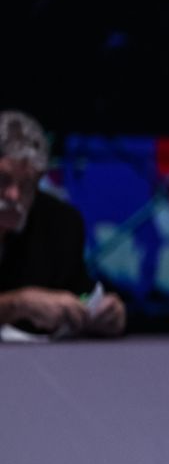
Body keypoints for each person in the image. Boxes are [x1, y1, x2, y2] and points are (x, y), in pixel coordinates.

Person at [0, 109, 125, 338]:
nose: (14, 195)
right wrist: (17, 304)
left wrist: (100, 310)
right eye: (2, 180)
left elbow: (80, 293)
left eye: (27, 185)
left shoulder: (62, 225)